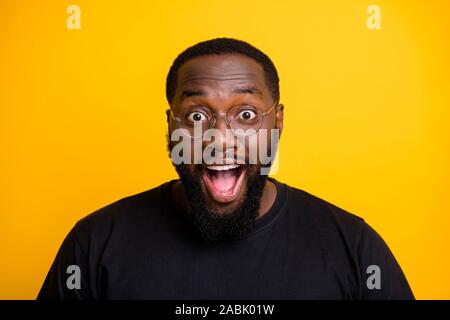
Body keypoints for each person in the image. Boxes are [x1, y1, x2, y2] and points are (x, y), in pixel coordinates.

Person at [38, 38, 414, 299]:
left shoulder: (353, 246)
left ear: (277, 121)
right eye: (197, 115)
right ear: (172, 126)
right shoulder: (93, 244)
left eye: (246, 114)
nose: (219, 139)